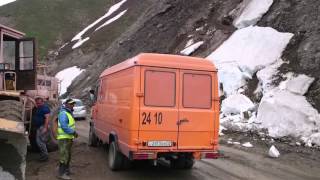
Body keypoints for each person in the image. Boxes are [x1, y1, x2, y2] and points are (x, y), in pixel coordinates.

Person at [57, 99, 78, 180]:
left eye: (73, 104)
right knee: (64, 156)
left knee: (68, 155)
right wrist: (73, 132)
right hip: (64, 138)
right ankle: (61, 173)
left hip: (68, 138)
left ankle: (66, 170)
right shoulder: (63, 113)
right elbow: (64, 126)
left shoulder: (69, 113)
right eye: (70, 104)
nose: (72, 105)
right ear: (65, 104)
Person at [32, 97, 51, 161]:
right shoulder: (38, 107)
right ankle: (43, 155)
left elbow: (47, 118)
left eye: (39, 103)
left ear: (43, 102)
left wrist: (45, 128)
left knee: (40, 142)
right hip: (39, 127)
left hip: (42, 127)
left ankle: (45, 156)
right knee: (39, 142)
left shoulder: (45, 108)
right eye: (37, 103)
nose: (38, 104)